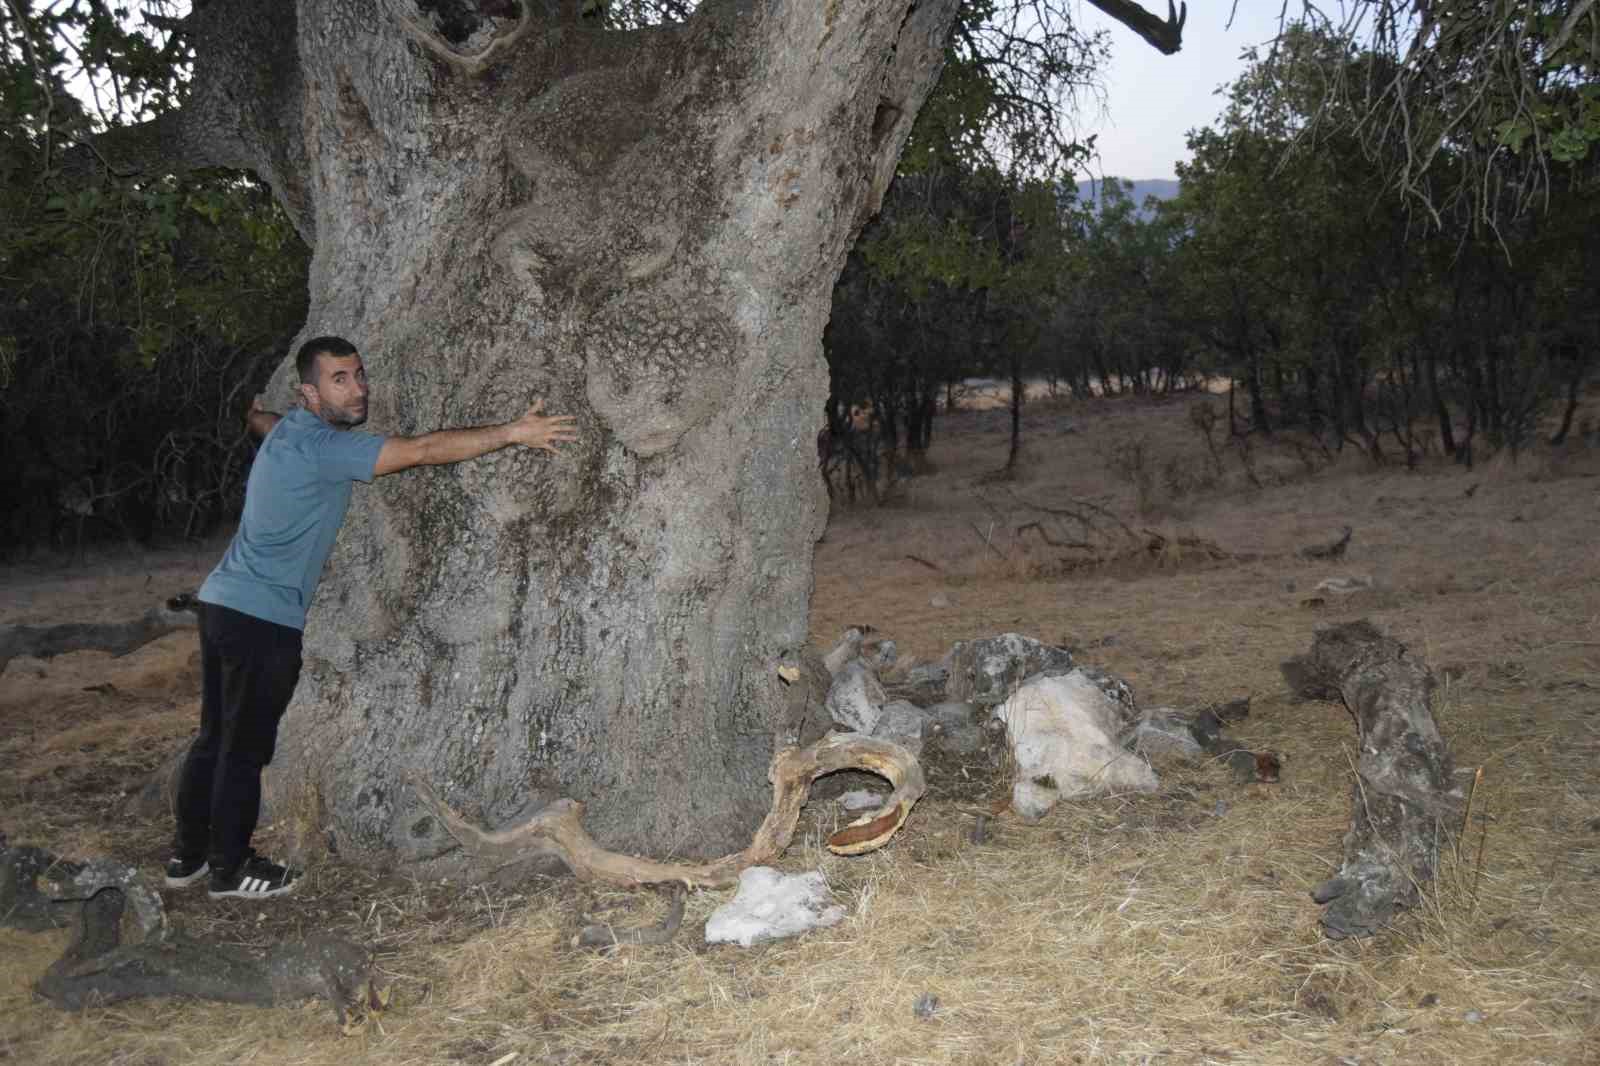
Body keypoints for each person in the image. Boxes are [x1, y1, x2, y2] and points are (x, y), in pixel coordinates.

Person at [165, 335, 578, 900]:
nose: (358, 388)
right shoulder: (325, 449)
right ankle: (230, 870)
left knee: (213, 738)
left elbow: (259, 421)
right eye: (340, 380)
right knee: (243, 749)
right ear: (310, 393)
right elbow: (425, 450)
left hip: (220, 604)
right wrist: (513, 432)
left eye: (359, 374)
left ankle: (187, 857)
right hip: (261, 619)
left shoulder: (285, 428)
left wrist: (250, 415)